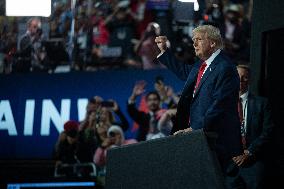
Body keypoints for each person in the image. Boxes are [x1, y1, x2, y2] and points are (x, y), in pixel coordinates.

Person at [154, 25, 242, 172]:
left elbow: (220, 105)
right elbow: (183, 72)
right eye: (193, 40)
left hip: (217, 141)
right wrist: (164, 52)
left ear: (212, 43)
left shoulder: (224, 67)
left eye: (199, 39)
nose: (194, 44)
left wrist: (196, 127)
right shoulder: (202, 65)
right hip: (201, 138)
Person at [225, 64, 275, 189]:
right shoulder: (223, 104)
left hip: (254, 164)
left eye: (244, 77)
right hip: (229, 165)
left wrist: (249, 152)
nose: (240, 80)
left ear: (249, 80)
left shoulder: (262, 103)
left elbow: (268, 131)